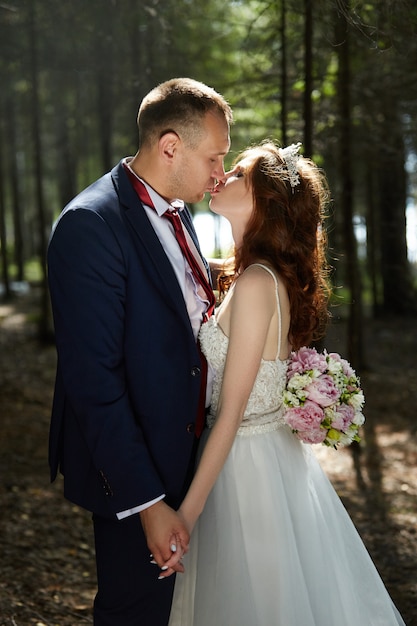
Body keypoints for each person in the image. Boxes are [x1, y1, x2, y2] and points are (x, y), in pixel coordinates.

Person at [166, 141, 406, 625]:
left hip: (246, 470)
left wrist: (184, 518)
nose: (221, 175)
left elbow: (230, 413)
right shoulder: (248, 275)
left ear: (264, 201)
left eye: (237, 172)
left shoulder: (257, 283)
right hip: (255, 457)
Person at [47, 77, 232, 626]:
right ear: (170, 145)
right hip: (136, 470)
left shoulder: (179, 211)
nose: (220, 174)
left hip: (194, 463)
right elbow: (94, 383)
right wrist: (149, 505)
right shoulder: (90, 225)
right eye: (214, 157)